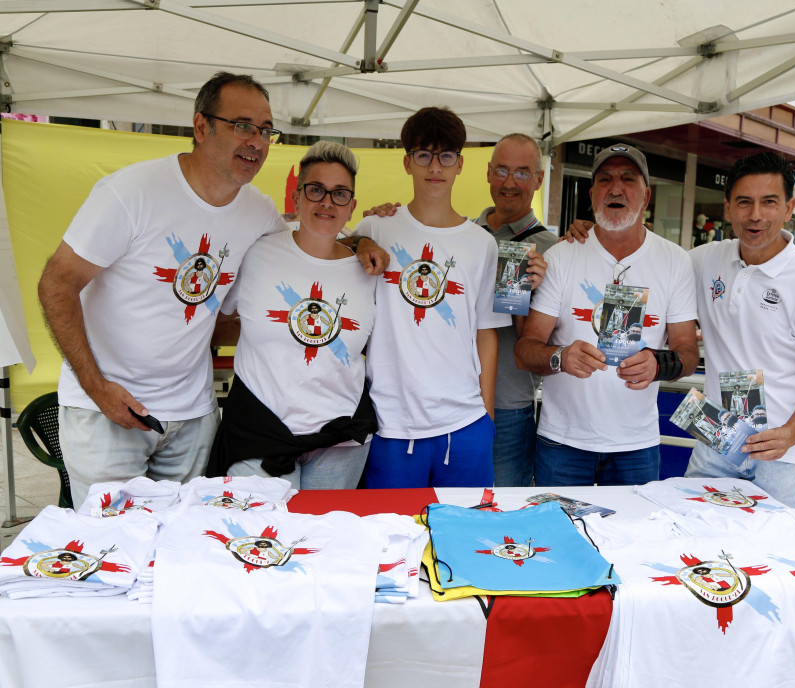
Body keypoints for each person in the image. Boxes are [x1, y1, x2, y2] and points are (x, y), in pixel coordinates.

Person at [37, 72, 387, 508]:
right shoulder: (131, 192)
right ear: (201, 127)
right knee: (116, 549)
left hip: (193, 416)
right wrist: (96, 387)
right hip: (111, 412)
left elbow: (312, 244)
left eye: (265, 131)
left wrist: (360, 241)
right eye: (243, 126)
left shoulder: (256, 212)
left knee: (187, 548)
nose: (257, 142)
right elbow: (56, 282)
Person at [515, 143, 699, 487]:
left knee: (633, 540)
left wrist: (660, 363)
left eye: (628, 178)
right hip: (562, 441)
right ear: (592, 194)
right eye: (605, 179)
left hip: (637, 445)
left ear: (646, 196)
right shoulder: (562, 256)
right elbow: (526, 349)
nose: (616, 188)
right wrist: (560, 357)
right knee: (561, 538)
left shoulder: (675, 261)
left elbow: (688, 352)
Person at [205, 141, 378, 489]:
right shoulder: (256, 254)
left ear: (352, 207)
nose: (327, 202)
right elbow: (214, 324)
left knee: (323, 541)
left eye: (340, 194)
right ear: (297, 198)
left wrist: (362, 242)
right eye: (316, 190)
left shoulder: (370, 269)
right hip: (260, 432)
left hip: (339, 438)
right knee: (253, 537)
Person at [353, 107, 510, 488]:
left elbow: (486, 333)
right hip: (392, 422)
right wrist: (356, 239)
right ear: (407, 163)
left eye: (445, 156)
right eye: (423, 155)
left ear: (460, 164)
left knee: (467, 538)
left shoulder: (482, 244)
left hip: (465, 424)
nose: (434, 167)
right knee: (392, 540)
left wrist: (486, 416)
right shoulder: (376, 227)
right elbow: (330, 257)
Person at [684, 151, 795, 513]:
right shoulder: (705, 259)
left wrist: (789, 435)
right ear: (728, 209)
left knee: (775, 556)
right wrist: (588, 233)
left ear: (789, 208)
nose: (755, 215)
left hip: (784, 454)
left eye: (769, 202)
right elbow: (652, 261)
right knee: (694, 536)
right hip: (718, 438)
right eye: (744, 202)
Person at [475, 134, 556, 487]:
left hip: (511, 408)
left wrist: (536, 293)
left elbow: (548, 343)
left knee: (503, 517)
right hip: (449, 403)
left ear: (539, 179)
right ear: (488, 173)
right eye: (503, 171)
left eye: (523, 173)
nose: (510, 183)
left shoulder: (557, 251)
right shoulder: (460, 234)